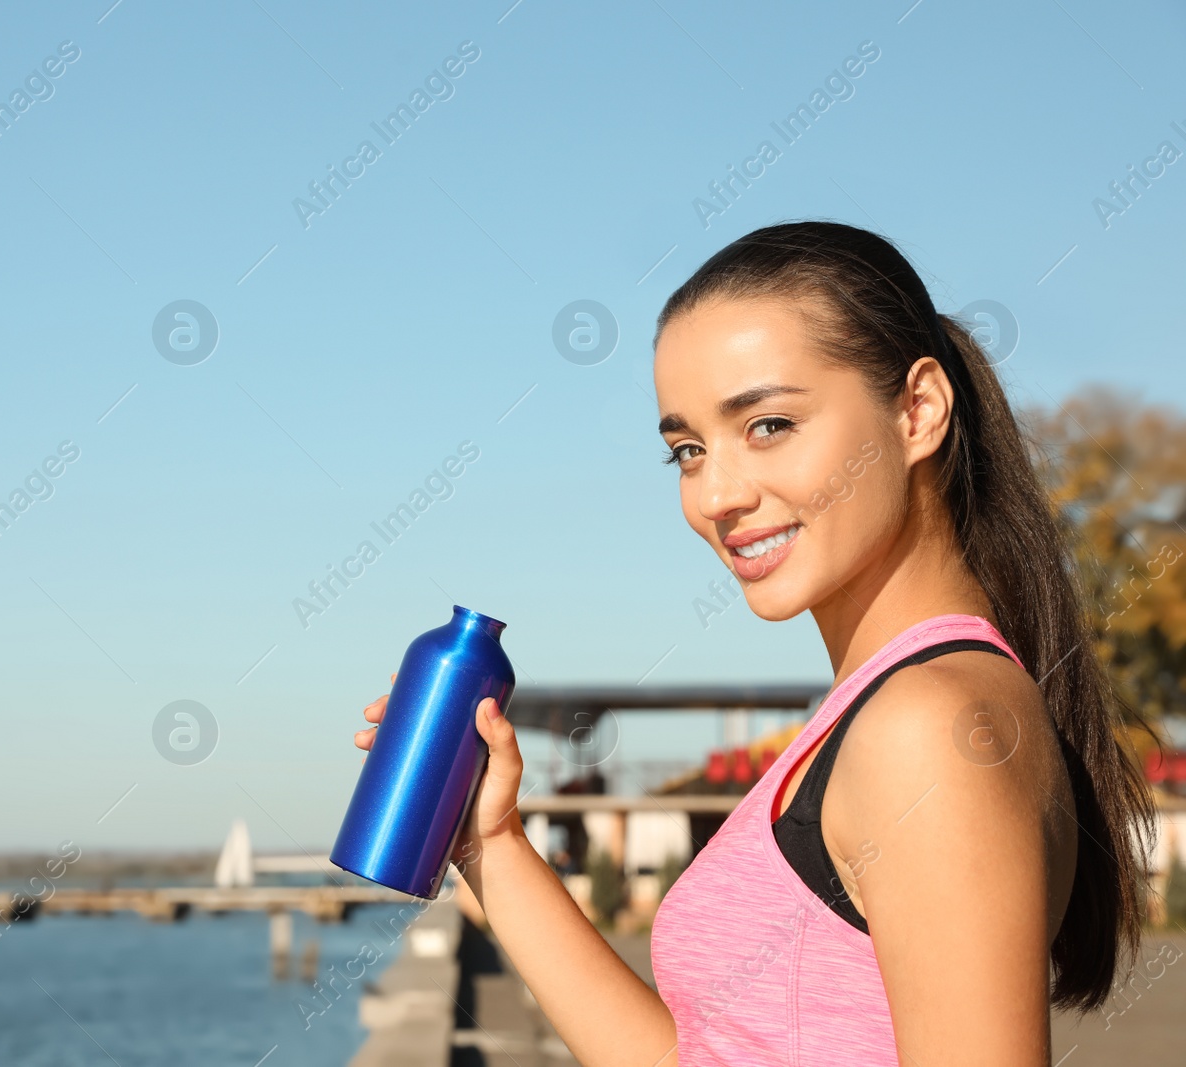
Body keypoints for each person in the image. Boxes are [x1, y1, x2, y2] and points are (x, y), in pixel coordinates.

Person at [353, 220, 1160, 1065]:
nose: (717, 494)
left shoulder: (928, 729)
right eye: (688, 451)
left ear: (917, 410)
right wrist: (494, 842)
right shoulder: (884, 713)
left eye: (769, 425)